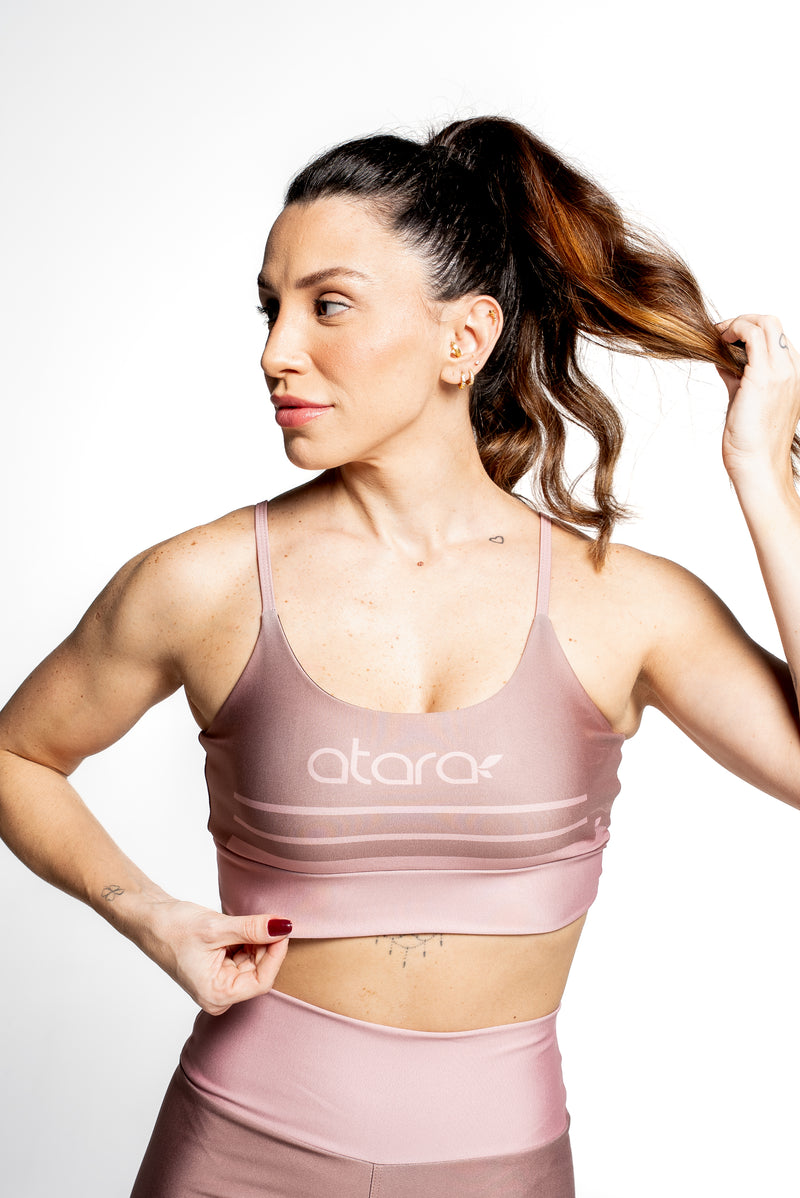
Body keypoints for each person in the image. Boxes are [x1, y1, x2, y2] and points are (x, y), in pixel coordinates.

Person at [0, 115, 798, 1198]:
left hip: (501, 1173)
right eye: (271, 308)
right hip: (230, 1155)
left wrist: (764, 482)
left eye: (327, 304)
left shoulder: (622, 604)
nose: (276, 351)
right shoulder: (202, 583)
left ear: (463, 339)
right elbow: (18, 755)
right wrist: (150, 915)